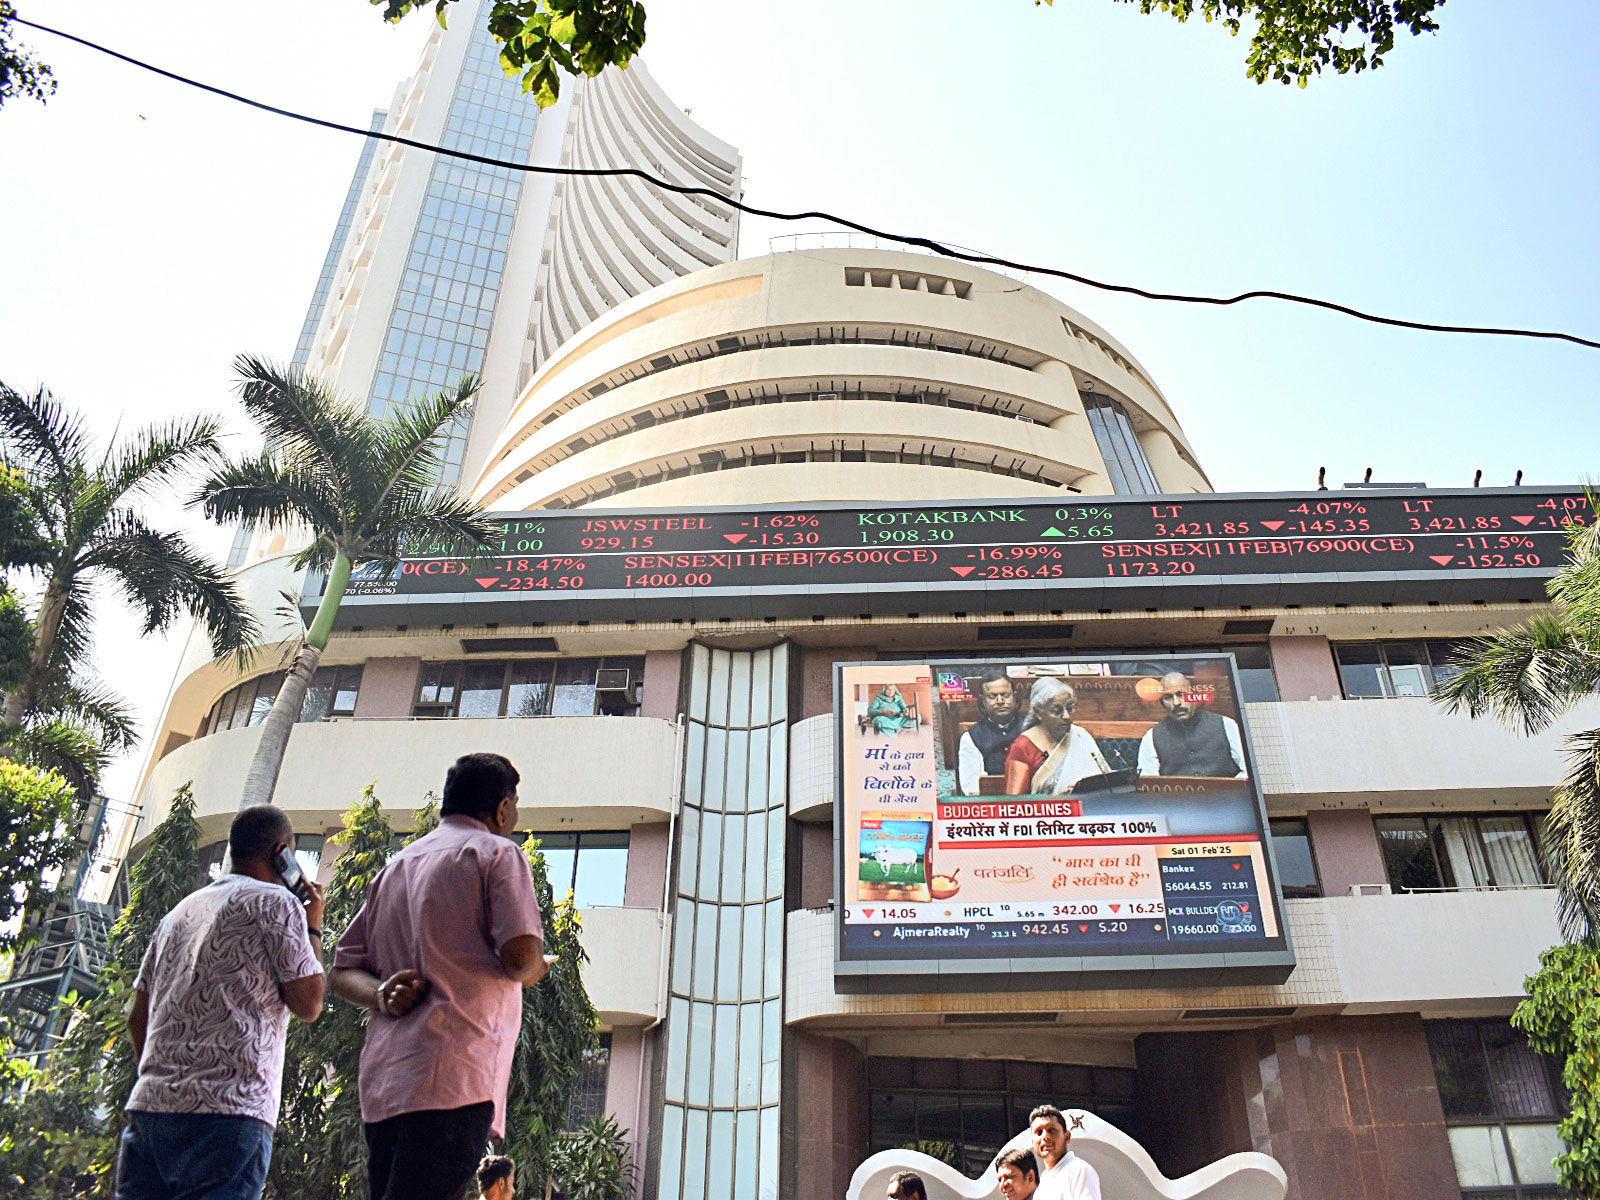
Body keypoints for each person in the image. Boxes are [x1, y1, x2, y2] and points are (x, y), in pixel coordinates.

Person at [331, 752, 552, 1200]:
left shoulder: (395, 868)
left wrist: (381, 994)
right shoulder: (496, 853)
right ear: (503, 808)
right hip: (454, 1075)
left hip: (386, 1085)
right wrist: (538, 966)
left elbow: (342, 970)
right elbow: (520, 958)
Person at [116, 805, 325, 1200]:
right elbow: (309, 1003)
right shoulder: (277, 904)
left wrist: (170, 1081)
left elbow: (136, 1018)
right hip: (229, 1114)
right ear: (282, 852)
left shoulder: (178, 913)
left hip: (151, 1108)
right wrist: (312, 924)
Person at [1004, 678, 1112, 795]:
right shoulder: (1022, 747)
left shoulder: (1080, 735)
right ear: (1038, 712)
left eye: (1069, 708)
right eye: (1056, 711)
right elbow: (1014, 805)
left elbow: (1106, 783)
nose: (1066, 716)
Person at [1135, 672, 1248, 778]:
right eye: (1168, 697)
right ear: (1162, 704)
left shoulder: (1227, 725)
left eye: (1181, 694)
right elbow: (1148, 780)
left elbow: (1248, 770)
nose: (1176, 703)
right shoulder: (1152, 736)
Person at [957, 670, 1025, 793]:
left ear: (1015, 697)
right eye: (992, 697)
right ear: (983, 702)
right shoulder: (972, 737)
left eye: (1005, 695)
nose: (1000, 701)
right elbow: (972, 788)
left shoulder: (1035, 729)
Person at [1029, 1105, 1101, 1200]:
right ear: (1032, 1142)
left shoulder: (1079, 1170)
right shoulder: (1043, 1183)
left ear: (1067, 1136)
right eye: (1039, 1132)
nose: (1045, 1136)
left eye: (1052, 1130)